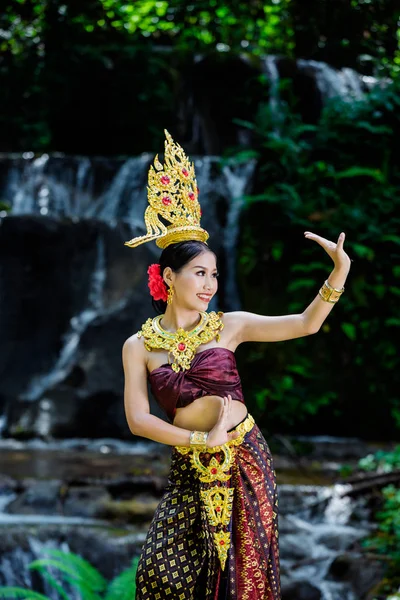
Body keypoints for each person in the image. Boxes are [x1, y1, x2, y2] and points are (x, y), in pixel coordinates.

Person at [122, 130, 351, 600]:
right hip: (191, 462)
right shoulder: (138, 345)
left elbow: (306, 324)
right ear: (169, 276)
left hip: (243, 457)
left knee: (240, 582)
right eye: (199, 274)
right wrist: (201, 439)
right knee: (161, 575)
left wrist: (338, 273)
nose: (210, 284)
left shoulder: (232, 325)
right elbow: (138, 420)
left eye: (214, 275)